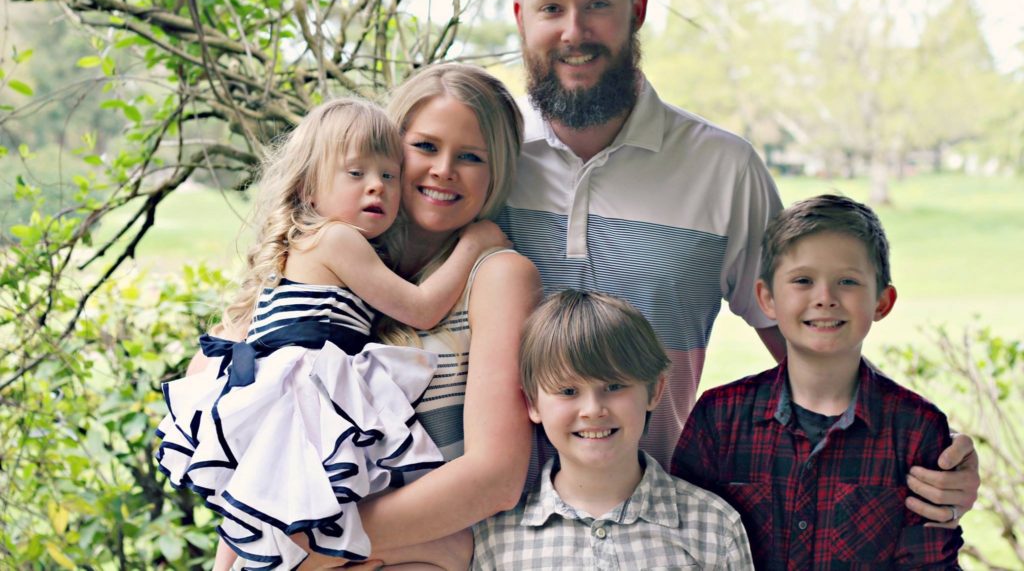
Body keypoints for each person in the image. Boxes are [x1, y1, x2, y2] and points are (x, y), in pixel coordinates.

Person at [498, 0, 979, 524]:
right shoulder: (483, 162)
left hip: (658, 525)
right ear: (520, 17)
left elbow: (811, 341)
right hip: (491, 520)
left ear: (638, 10)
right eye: (551, 9)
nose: (574, 31)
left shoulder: (722, 168)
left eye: (597, 4)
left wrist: (927, 453)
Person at [155, 97, 511, 569]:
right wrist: (476, 243)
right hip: (304, 392)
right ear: (309, 186)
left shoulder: (308, 241)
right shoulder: (337, 239)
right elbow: (422, 310)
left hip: (285, 388)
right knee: (445, 547)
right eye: (356, 174)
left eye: (387, 175)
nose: (376, 188)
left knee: (259, 515)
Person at [672, 194, 963, 568]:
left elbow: (929, 563)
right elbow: (682, 547)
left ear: (882, 302)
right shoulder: (719, 418)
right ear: (767, 298)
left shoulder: (916, 430)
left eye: (847, 281)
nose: (825, 298)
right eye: (803, 280)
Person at [328, 63, 541, 569]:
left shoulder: (497, 276)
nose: (444, 169)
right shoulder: (334, 251)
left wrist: (315, 545)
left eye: (470, 157)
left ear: (498, 173)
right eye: (425, 147)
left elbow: (495, 479)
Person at [472, 289, 754, 569]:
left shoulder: (714, 527)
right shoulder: (496, 539)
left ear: (654, 390)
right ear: (533, 403)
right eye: (568, 391)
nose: (593, 409)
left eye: (614, 386)